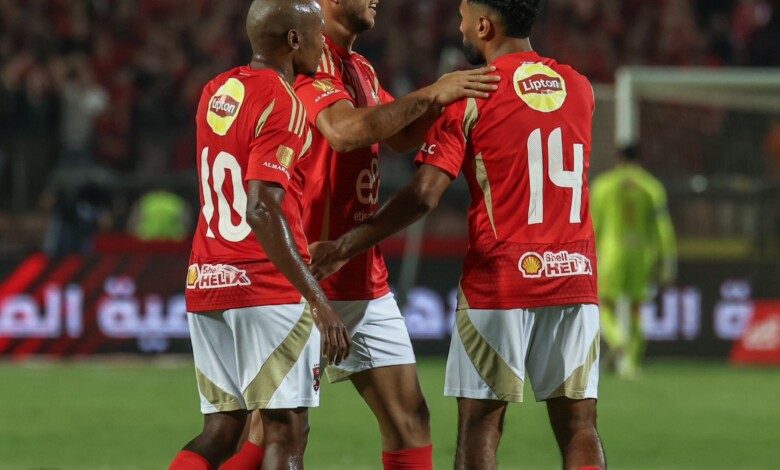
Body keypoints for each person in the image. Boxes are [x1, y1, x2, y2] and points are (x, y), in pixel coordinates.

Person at [309, 0, 607, 468]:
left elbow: (423, 195)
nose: (461, 26)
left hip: (500, 280)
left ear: (484, 26)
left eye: (464, 17)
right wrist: (433, 97)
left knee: (479, 428)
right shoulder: (579, 87)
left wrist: (346, 244)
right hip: (574, 275)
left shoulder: (473, 94)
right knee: (580, 427)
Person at [238, 1, 498, 469]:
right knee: (277, 432)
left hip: (360, 273)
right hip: (308, 270)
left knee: (409, 420)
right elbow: (343, 131)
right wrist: (433, 93)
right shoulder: (307, 60)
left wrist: (453, 97)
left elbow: (399, 135)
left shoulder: (359, 67)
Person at [169, 1, 351, 469]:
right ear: (294, 40)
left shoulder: (216, 89)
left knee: (221, 430)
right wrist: (317, 299)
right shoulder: (284, 100)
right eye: (316, 34)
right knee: (286, 432)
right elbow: (261, 208)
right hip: (264, 286)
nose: (322, 44)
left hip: (208, 277)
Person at [591, 144, 677, 379]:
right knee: (637, 308)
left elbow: (593, 224)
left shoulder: (603, 185)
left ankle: (616, 339)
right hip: (641, 253)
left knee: (605, 303)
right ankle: (631, 362)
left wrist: (589, 255)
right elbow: (662, 228)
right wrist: (667, 259)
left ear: (618, 157)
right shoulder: (651, 187)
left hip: (611, 253)